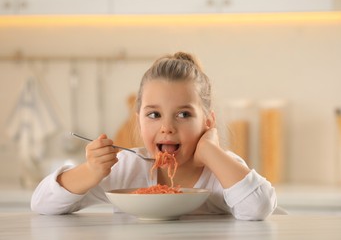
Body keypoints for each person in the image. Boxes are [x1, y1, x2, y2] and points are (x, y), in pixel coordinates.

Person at [31, 52, 277, 220]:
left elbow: (258, 208)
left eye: (183, 114)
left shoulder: (221, 170)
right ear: (138, 117)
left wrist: (211, 151)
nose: (167, 127)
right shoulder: (126, 168)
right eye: (154, 115)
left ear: (208, 121)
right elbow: (42, 204)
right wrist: (91, 170)